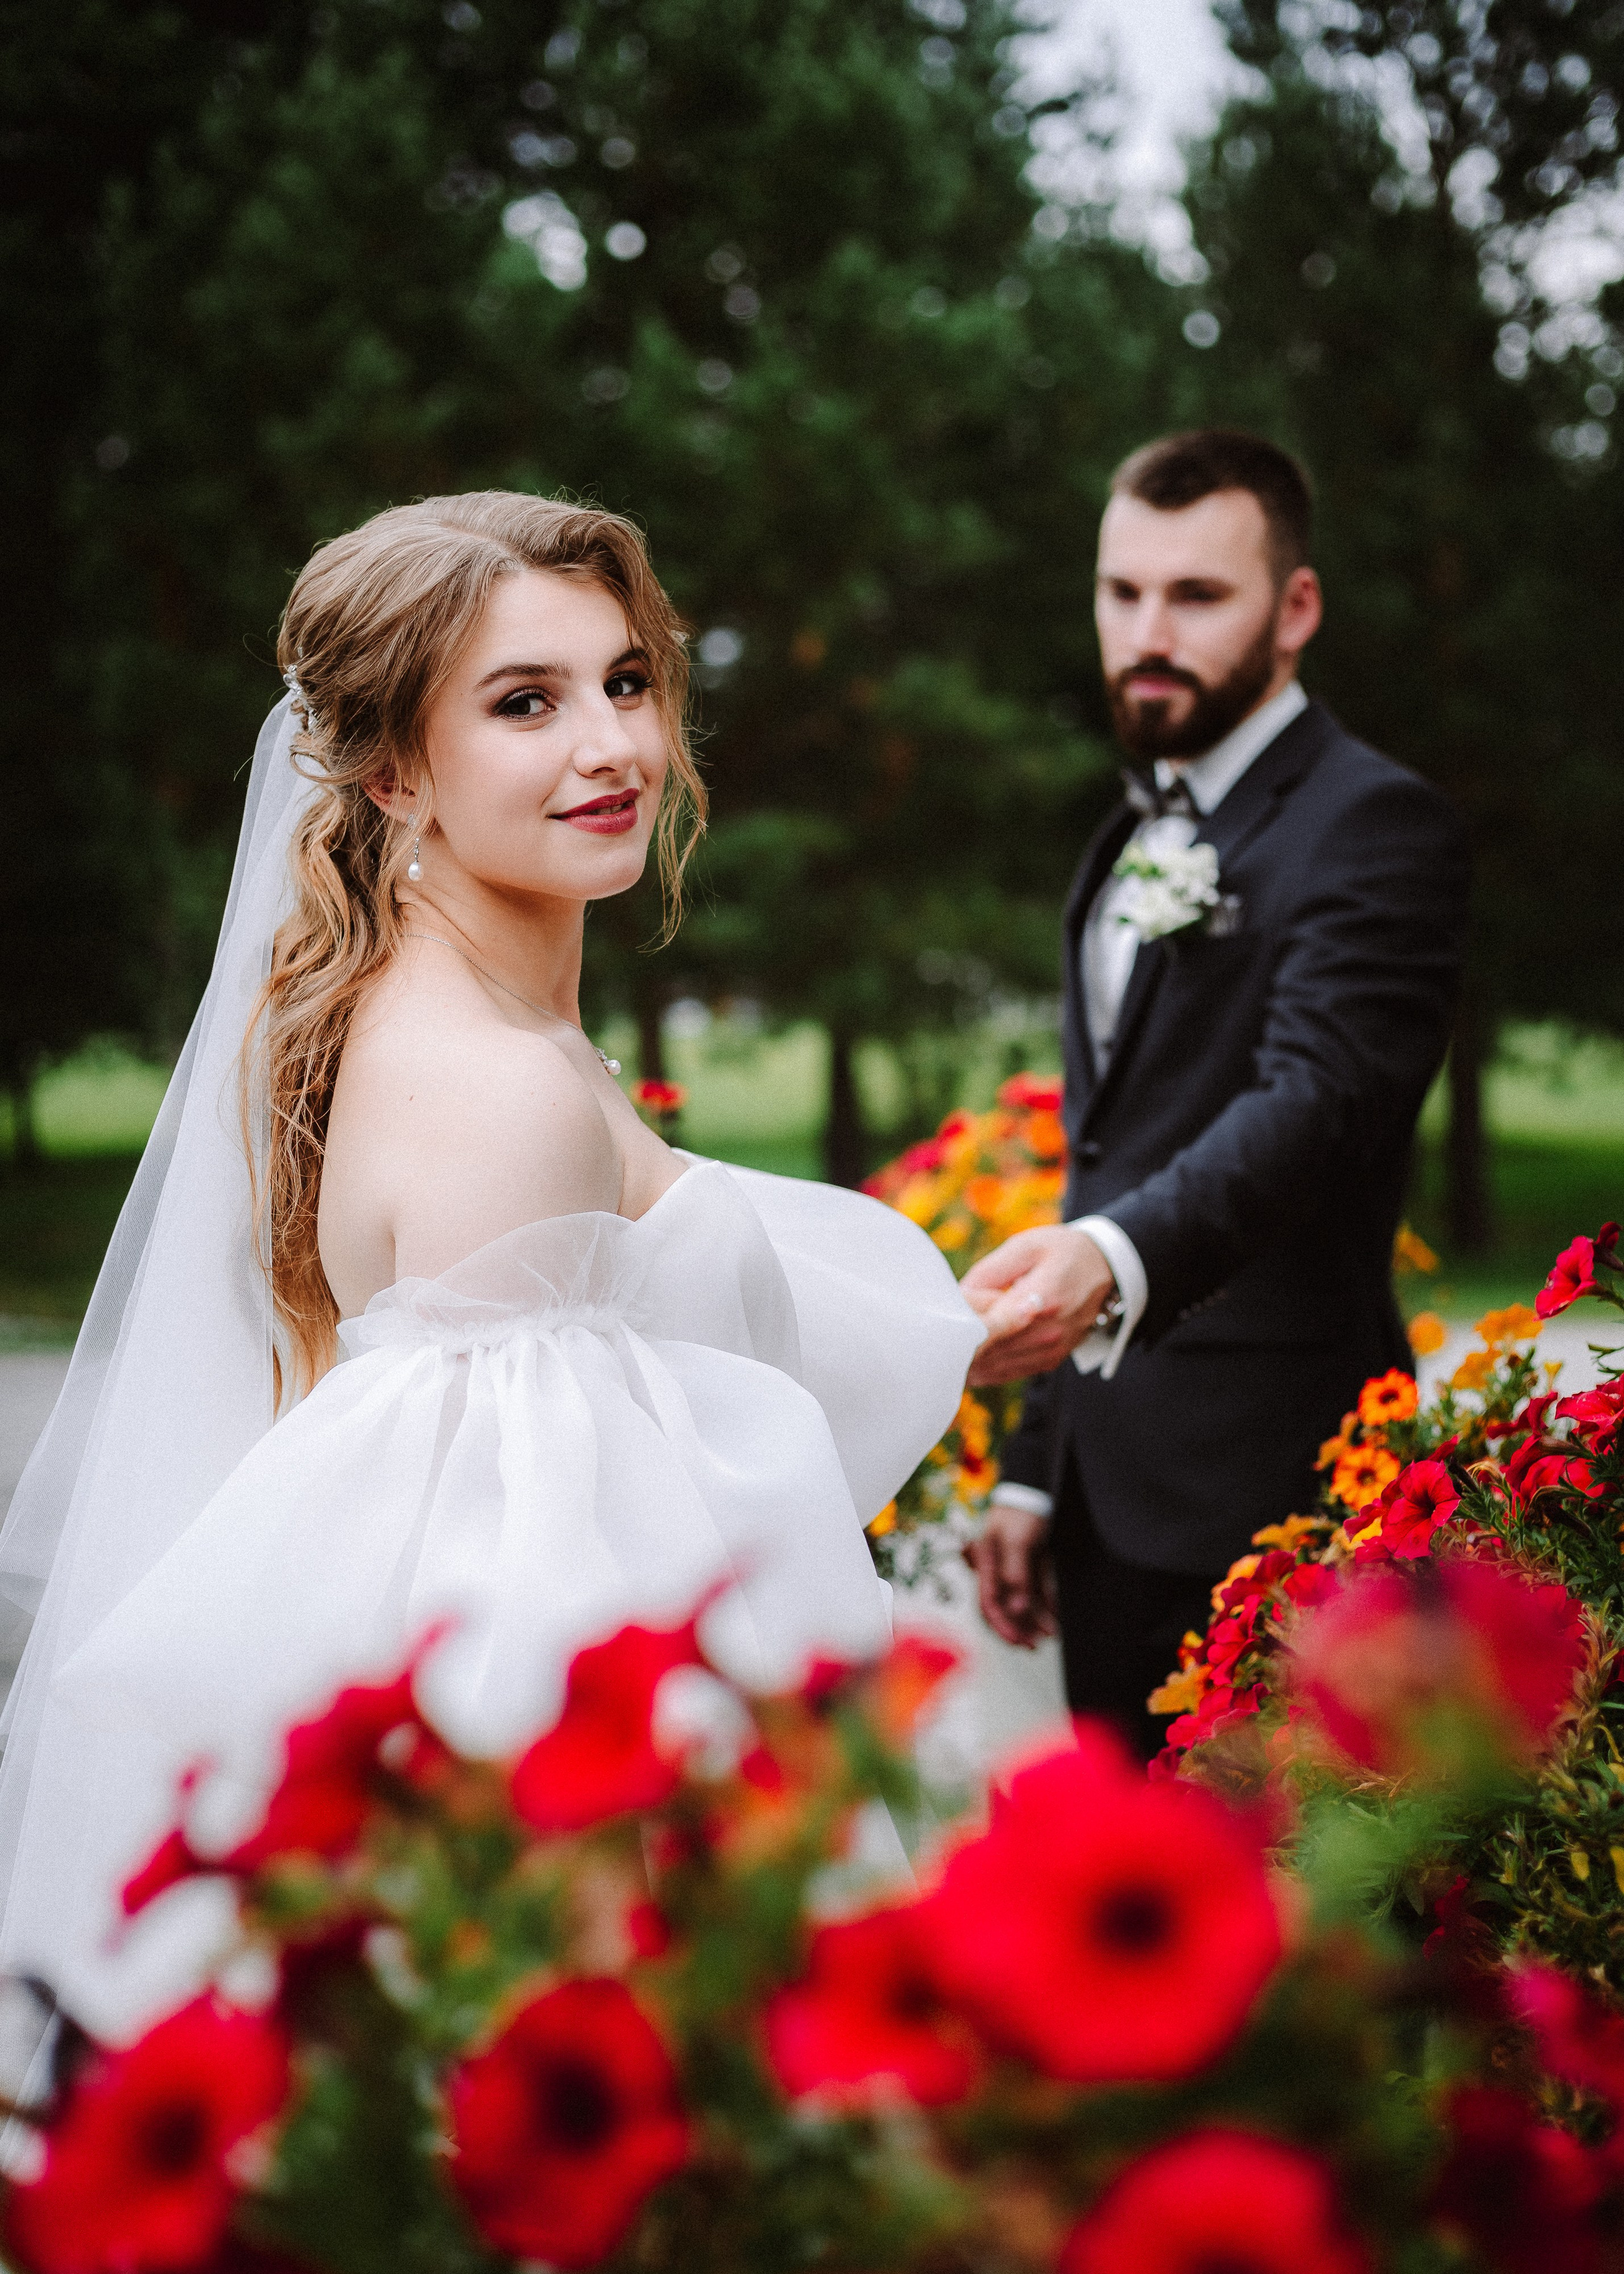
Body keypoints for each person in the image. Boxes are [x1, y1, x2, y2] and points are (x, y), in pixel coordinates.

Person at [0, 492, 983, 2039]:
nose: (613, 745)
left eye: (626, 681)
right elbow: (534, 1658)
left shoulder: (474, 1024)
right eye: (526, 702)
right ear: (394, 770)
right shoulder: (499, 1094)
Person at [962, 430, 1468, 1760]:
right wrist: (1036, 1466)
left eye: (1195, 596)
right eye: (1121, 592)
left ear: (1294, 609)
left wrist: (1106, 1261)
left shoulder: (1375, 824)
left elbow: (1318, 1103)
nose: (1147, 634)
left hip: (1278, 1489)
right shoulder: (1133, 830)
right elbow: (1107, 1153)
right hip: (1103, 1494)